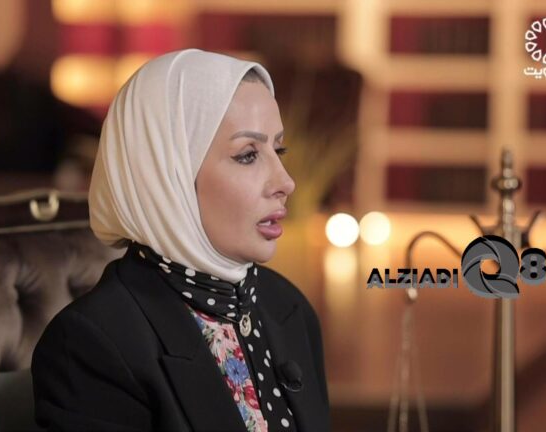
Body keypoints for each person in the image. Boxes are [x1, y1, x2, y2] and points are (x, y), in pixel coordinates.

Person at [31, 48, 330, 432]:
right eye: (247, 155)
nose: (285, 182)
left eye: (279, 149)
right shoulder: (91, 344)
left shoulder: (288, 307)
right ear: (167, 174)